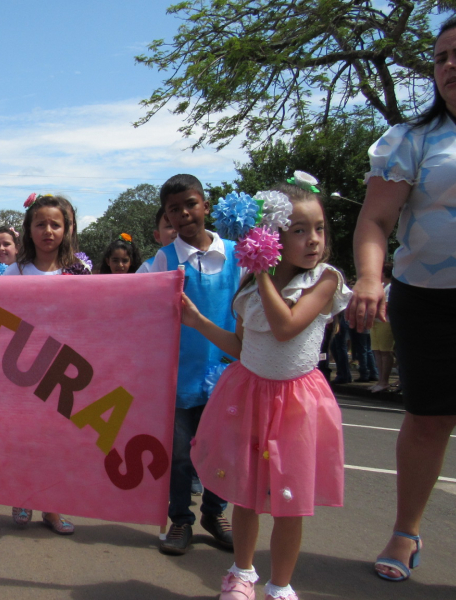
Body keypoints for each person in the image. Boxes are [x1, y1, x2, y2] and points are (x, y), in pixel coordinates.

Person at [185, 180, 349, 600]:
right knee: (247, 496)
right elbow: (242, 347)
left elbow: (286, 327)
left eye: (319, 229)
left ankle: (280, 584)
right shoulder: (249, 290)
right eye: (298, 230)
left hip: (296, 403)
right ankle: (242, 573)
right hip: (249, 397)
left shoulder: (324, 280)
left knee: (289, 501)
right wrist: (199, 321)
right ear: (272, 236)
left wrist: (261, 273)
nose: (313, 240)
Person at [349, 15, 456, 583]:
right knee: (427, 418)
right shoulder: (412, 139)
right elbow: (376, 218)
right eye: (441, 56)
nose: (449, 65)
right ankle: (405, 530)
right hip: (430, 300)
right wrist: (370, 279)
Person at [147, 174, 239, 556]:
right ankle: (180, 518)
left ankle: (215, 513)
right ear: (166, 217)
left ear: (206, 205)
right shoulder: (164, 260)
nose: (183, 214)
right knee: (181, 455)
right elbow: (145, 311)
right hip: (179, 376)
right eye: (173, 210)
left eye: (190, 204)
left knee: (221, 451)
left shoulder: (238, 253)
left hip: (228, 373)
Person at [1, 192, 91, 534]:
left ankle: (53, 508)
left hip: (65, 372)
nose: (48, 231)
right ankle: (22, 496)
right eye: (41, 224)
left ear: (67, 229)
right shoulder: (15, 271)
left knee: (60, 443)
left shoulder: (79, 271)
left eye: (56, 224)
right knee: (25, 441)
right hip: (21, 370)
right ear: (29, 230)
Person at [369, 264, 395, 393]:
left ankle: (385, 381)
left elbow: (387, 306)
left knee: (385, 352)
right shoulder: (381, 286)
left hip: (385, 322)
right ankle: (380, 381)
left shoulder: (391, 287)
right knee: (377, 351)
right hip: (376, 322)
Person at [135, 207, 178, 274]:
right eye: (170, 226)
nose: (177, 230)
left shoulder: (198, 259)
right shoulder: (147, 269)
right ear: (157, 235)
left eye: (181, 225)